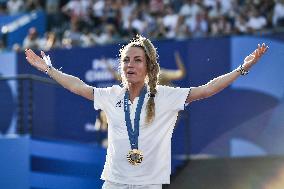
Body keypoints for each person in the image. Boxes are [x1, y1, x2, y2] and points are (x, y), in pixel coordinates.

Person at [25, 35, 268, 189]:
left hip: (149, 184)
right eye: (126, 60)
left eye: (137, 60)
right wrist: (48, 69)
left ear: (149, 66)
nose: (130, 65)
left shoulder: (165, 96)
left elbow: (206, 90)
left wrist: (241, 69)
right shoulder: (112, 96)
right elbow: (78, 86)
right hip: (114, 182)